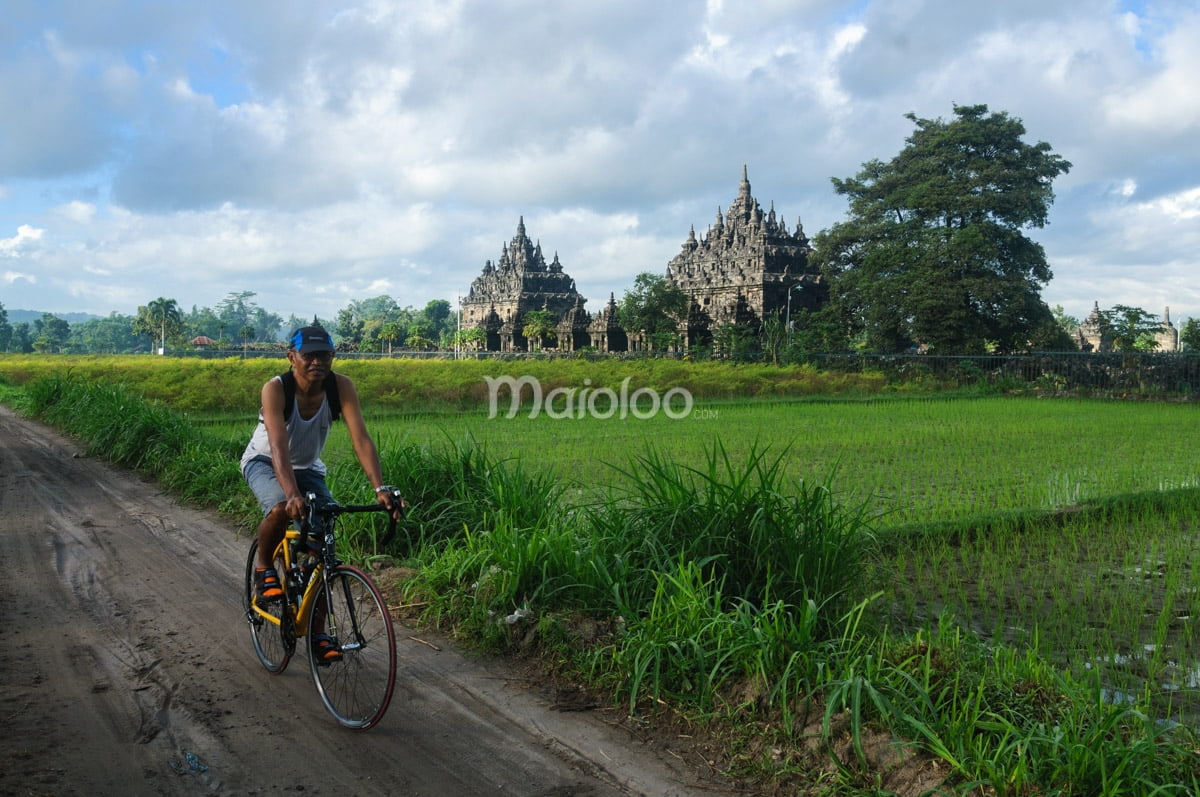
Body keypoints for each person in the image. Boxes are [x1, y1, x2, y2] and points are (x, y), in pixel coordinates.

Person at [241, 323, 399, 663]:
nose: (318, 362)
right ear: (291, 357)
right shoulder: (276, 389)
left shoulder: (341, 387)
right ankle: (264, 566)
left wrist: (380, 487)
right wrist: (292, 494)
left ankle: (318, 631)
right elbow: (279, 449)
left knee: (323, 550)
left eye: (325, 355)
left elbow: (361, 439)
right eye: (309, 355)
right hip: (266, 461)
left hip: (309, 468)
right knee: (282, 507)